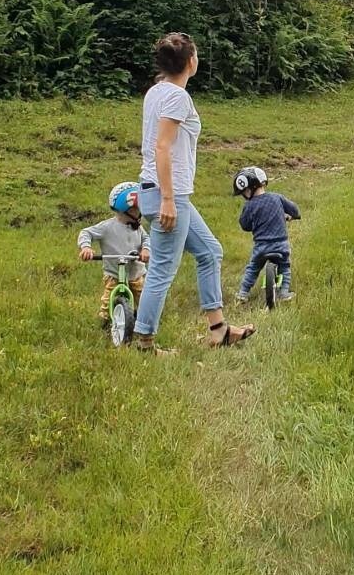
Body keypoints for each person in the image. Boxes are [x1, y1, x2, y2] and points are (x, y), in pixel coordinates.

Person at [134, 33, 254, 352]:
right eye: (196, 55)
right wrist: (169, 200)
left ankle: (219, 330)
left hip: (159, 192)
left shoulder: (155, 92)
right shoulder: (176, 97)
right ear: (191, 62)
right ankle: (144, 342)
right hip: (166, 195)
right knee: (162, 268)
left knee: (209, 251)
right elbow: (162, 147)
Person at [78, 182, 150, 325]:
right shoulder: (107, 227)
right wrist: (86, 247)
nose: (140, 211)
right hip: (114, 273)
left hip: (136, 272)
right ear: (124, 209)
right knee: (108, 299)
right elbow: (86, 232)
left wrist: (146, 249)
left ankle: (143, 322)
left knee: (144, 299)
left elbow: (146, 239)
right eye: (136, 209)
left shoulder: (138, 228)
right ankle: (105, 321)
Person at [233, 167, 300, 303]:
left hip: (261, 247)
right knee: (285, 266)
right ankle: (284, 292)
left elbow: (244, 225)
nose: (244, 195)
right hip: (281, 245)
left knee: (253, 268)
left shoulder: (249, 205)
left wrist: (253, 225)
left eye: (244, 192)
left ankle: (243, 293)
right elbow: (294, 210)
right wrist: (293, 216)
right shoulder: (277, 198)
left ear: (250, 188)